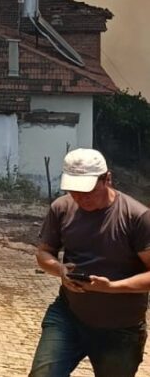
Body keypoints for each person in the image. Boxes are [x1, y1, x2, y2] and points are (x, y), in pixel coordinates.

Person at [30, 148, 150, 376]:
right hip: (68, 316)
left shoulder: (137, 217)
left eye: (88, 191)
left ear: (107, 179)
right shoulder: (61, 208)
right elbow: (43, 253)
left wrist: (113, 287)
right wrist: (60, 270)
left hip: (120, 329)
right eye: (74, 191)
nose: (80, 198)